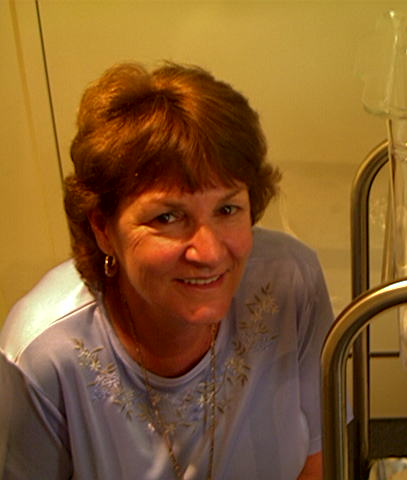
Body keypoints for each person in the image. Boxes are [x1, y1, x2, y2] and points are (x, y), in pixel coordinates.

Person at [0, 62, 334, 479]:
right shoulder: (43, 355)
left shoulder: (291, 282)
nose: (209, 252)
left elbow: (319, 459)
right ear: (103, 228)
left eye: (227, 209)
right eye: (167, 217)